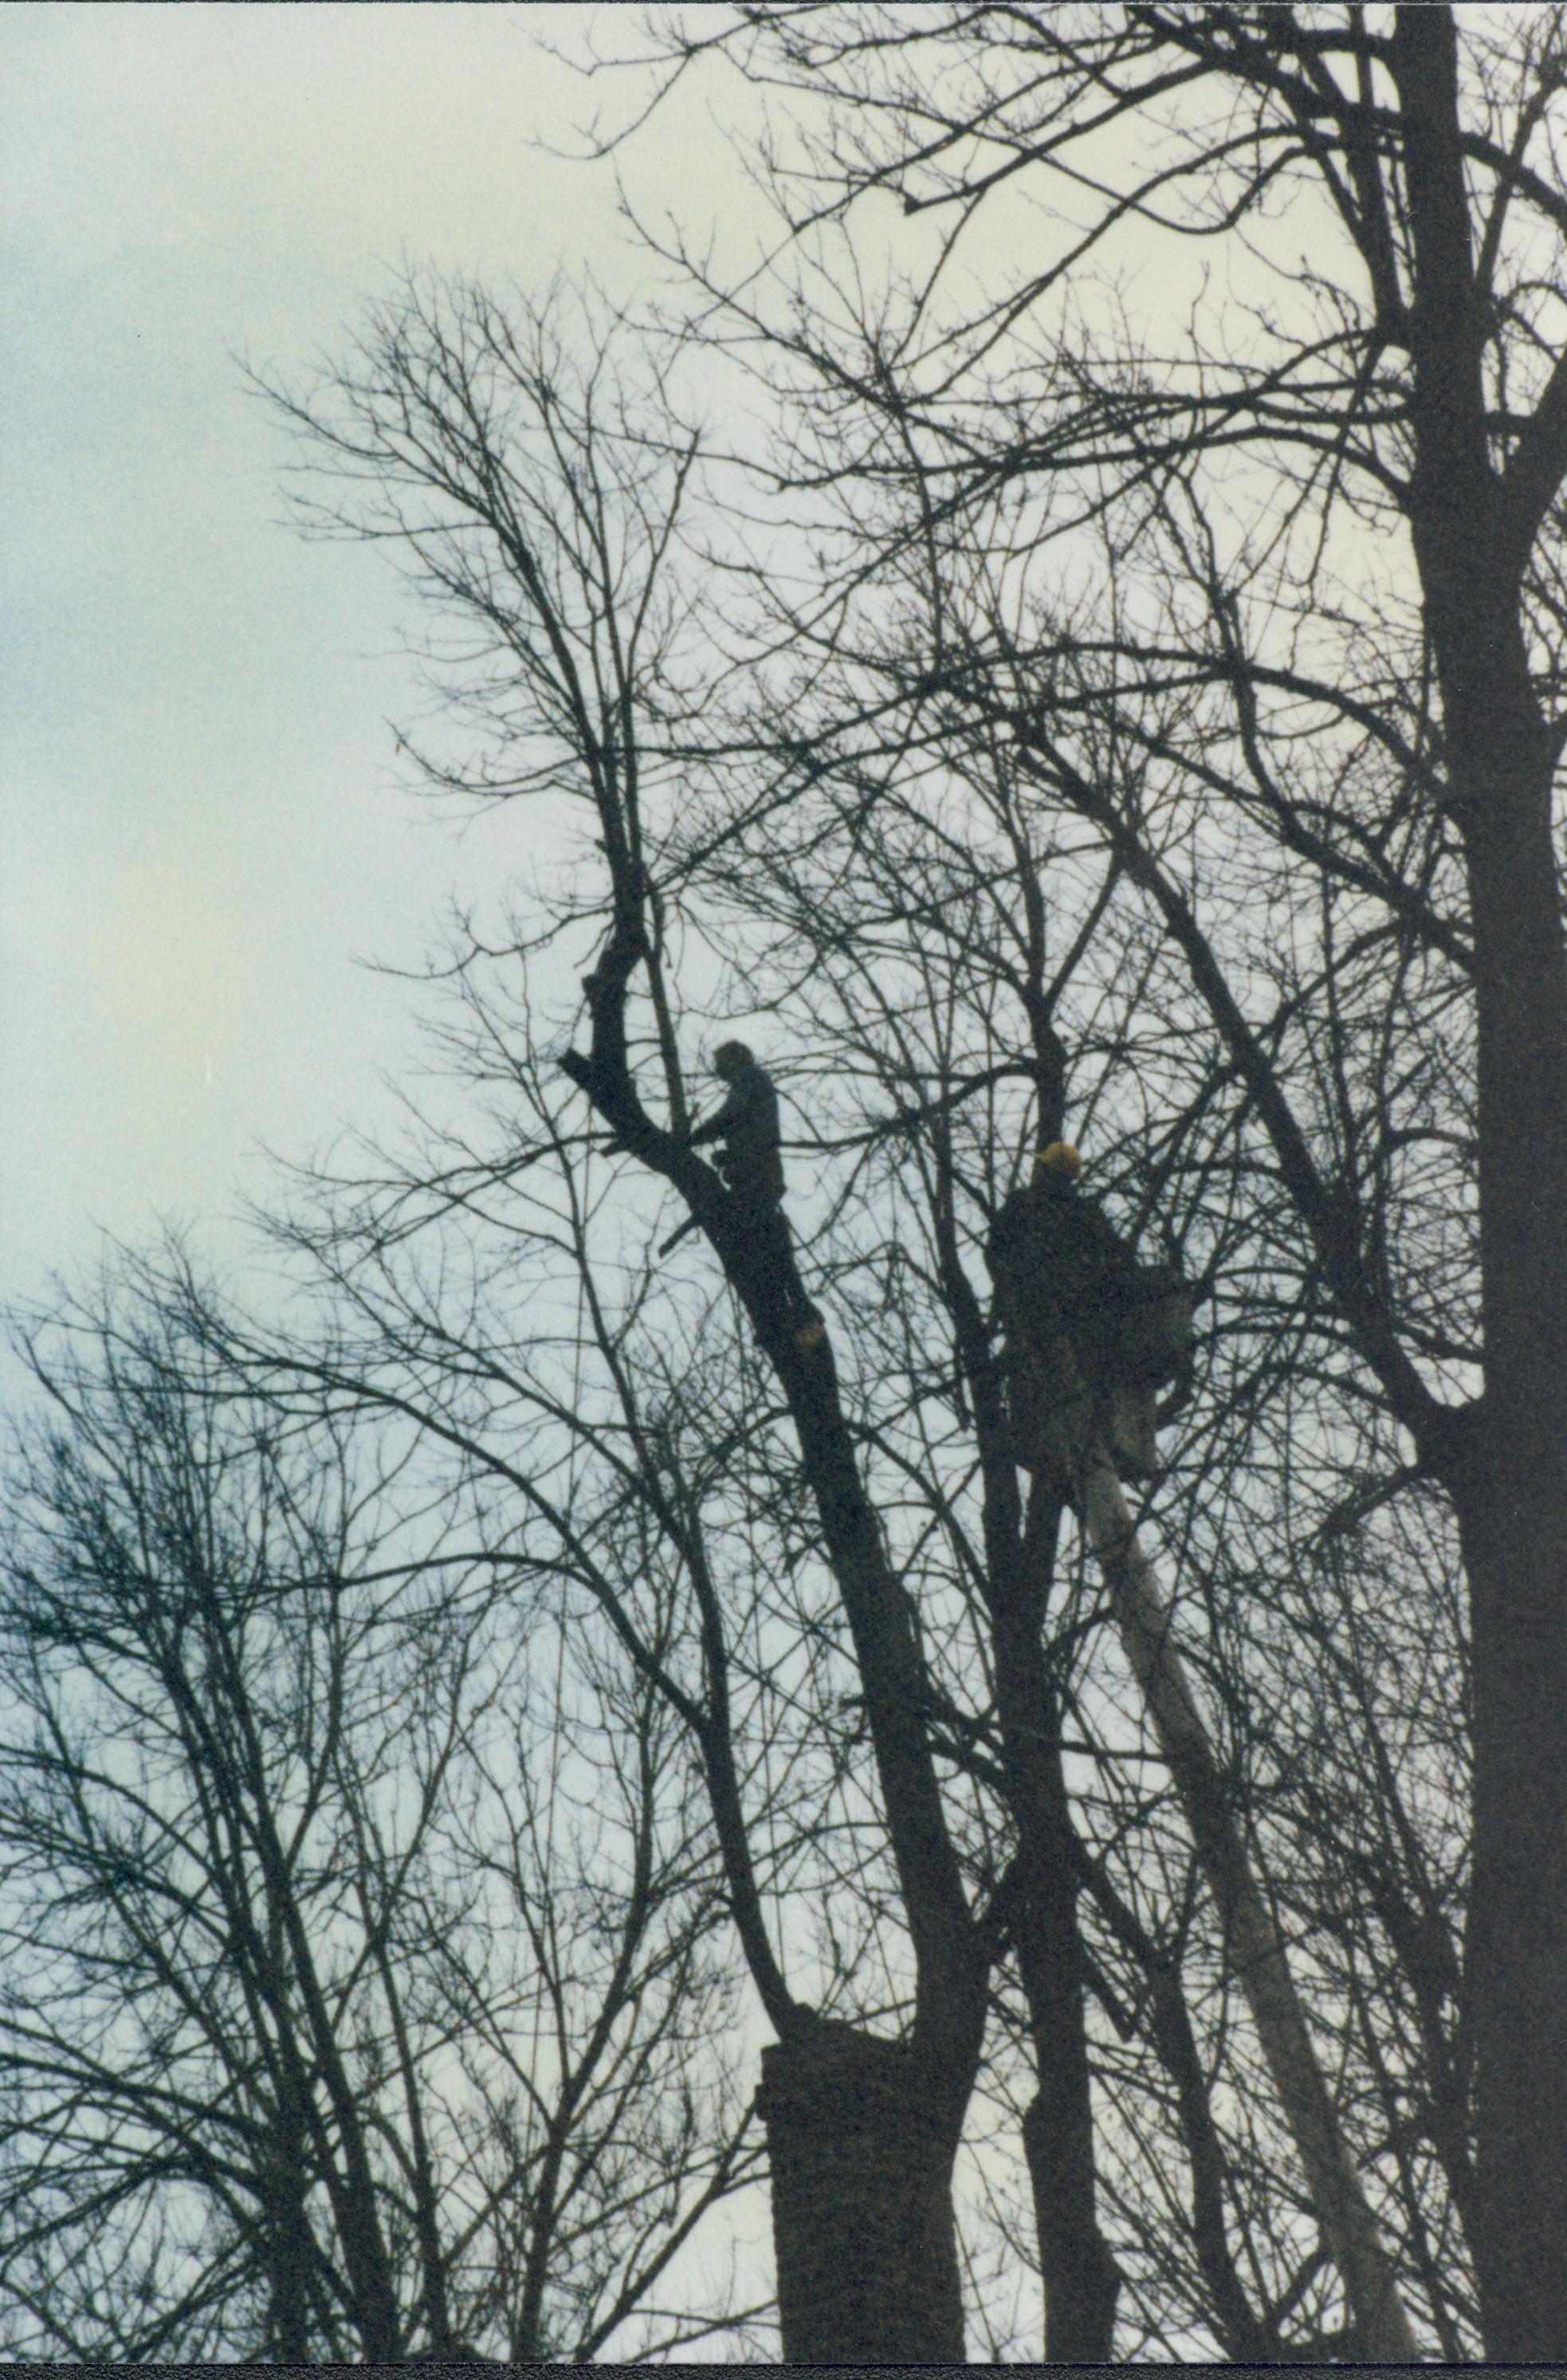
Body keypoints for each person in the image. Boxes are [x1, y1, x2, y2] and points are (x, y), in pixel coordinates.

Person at [988, 1141, 1193, 1485]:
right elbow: (1122, 1262)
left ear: (1045, 1172)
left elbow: (996, 1258)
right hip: (1079, 1319)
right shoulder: (1085, 1214)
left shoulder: (1023, 1208)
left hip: (1057, 1320)